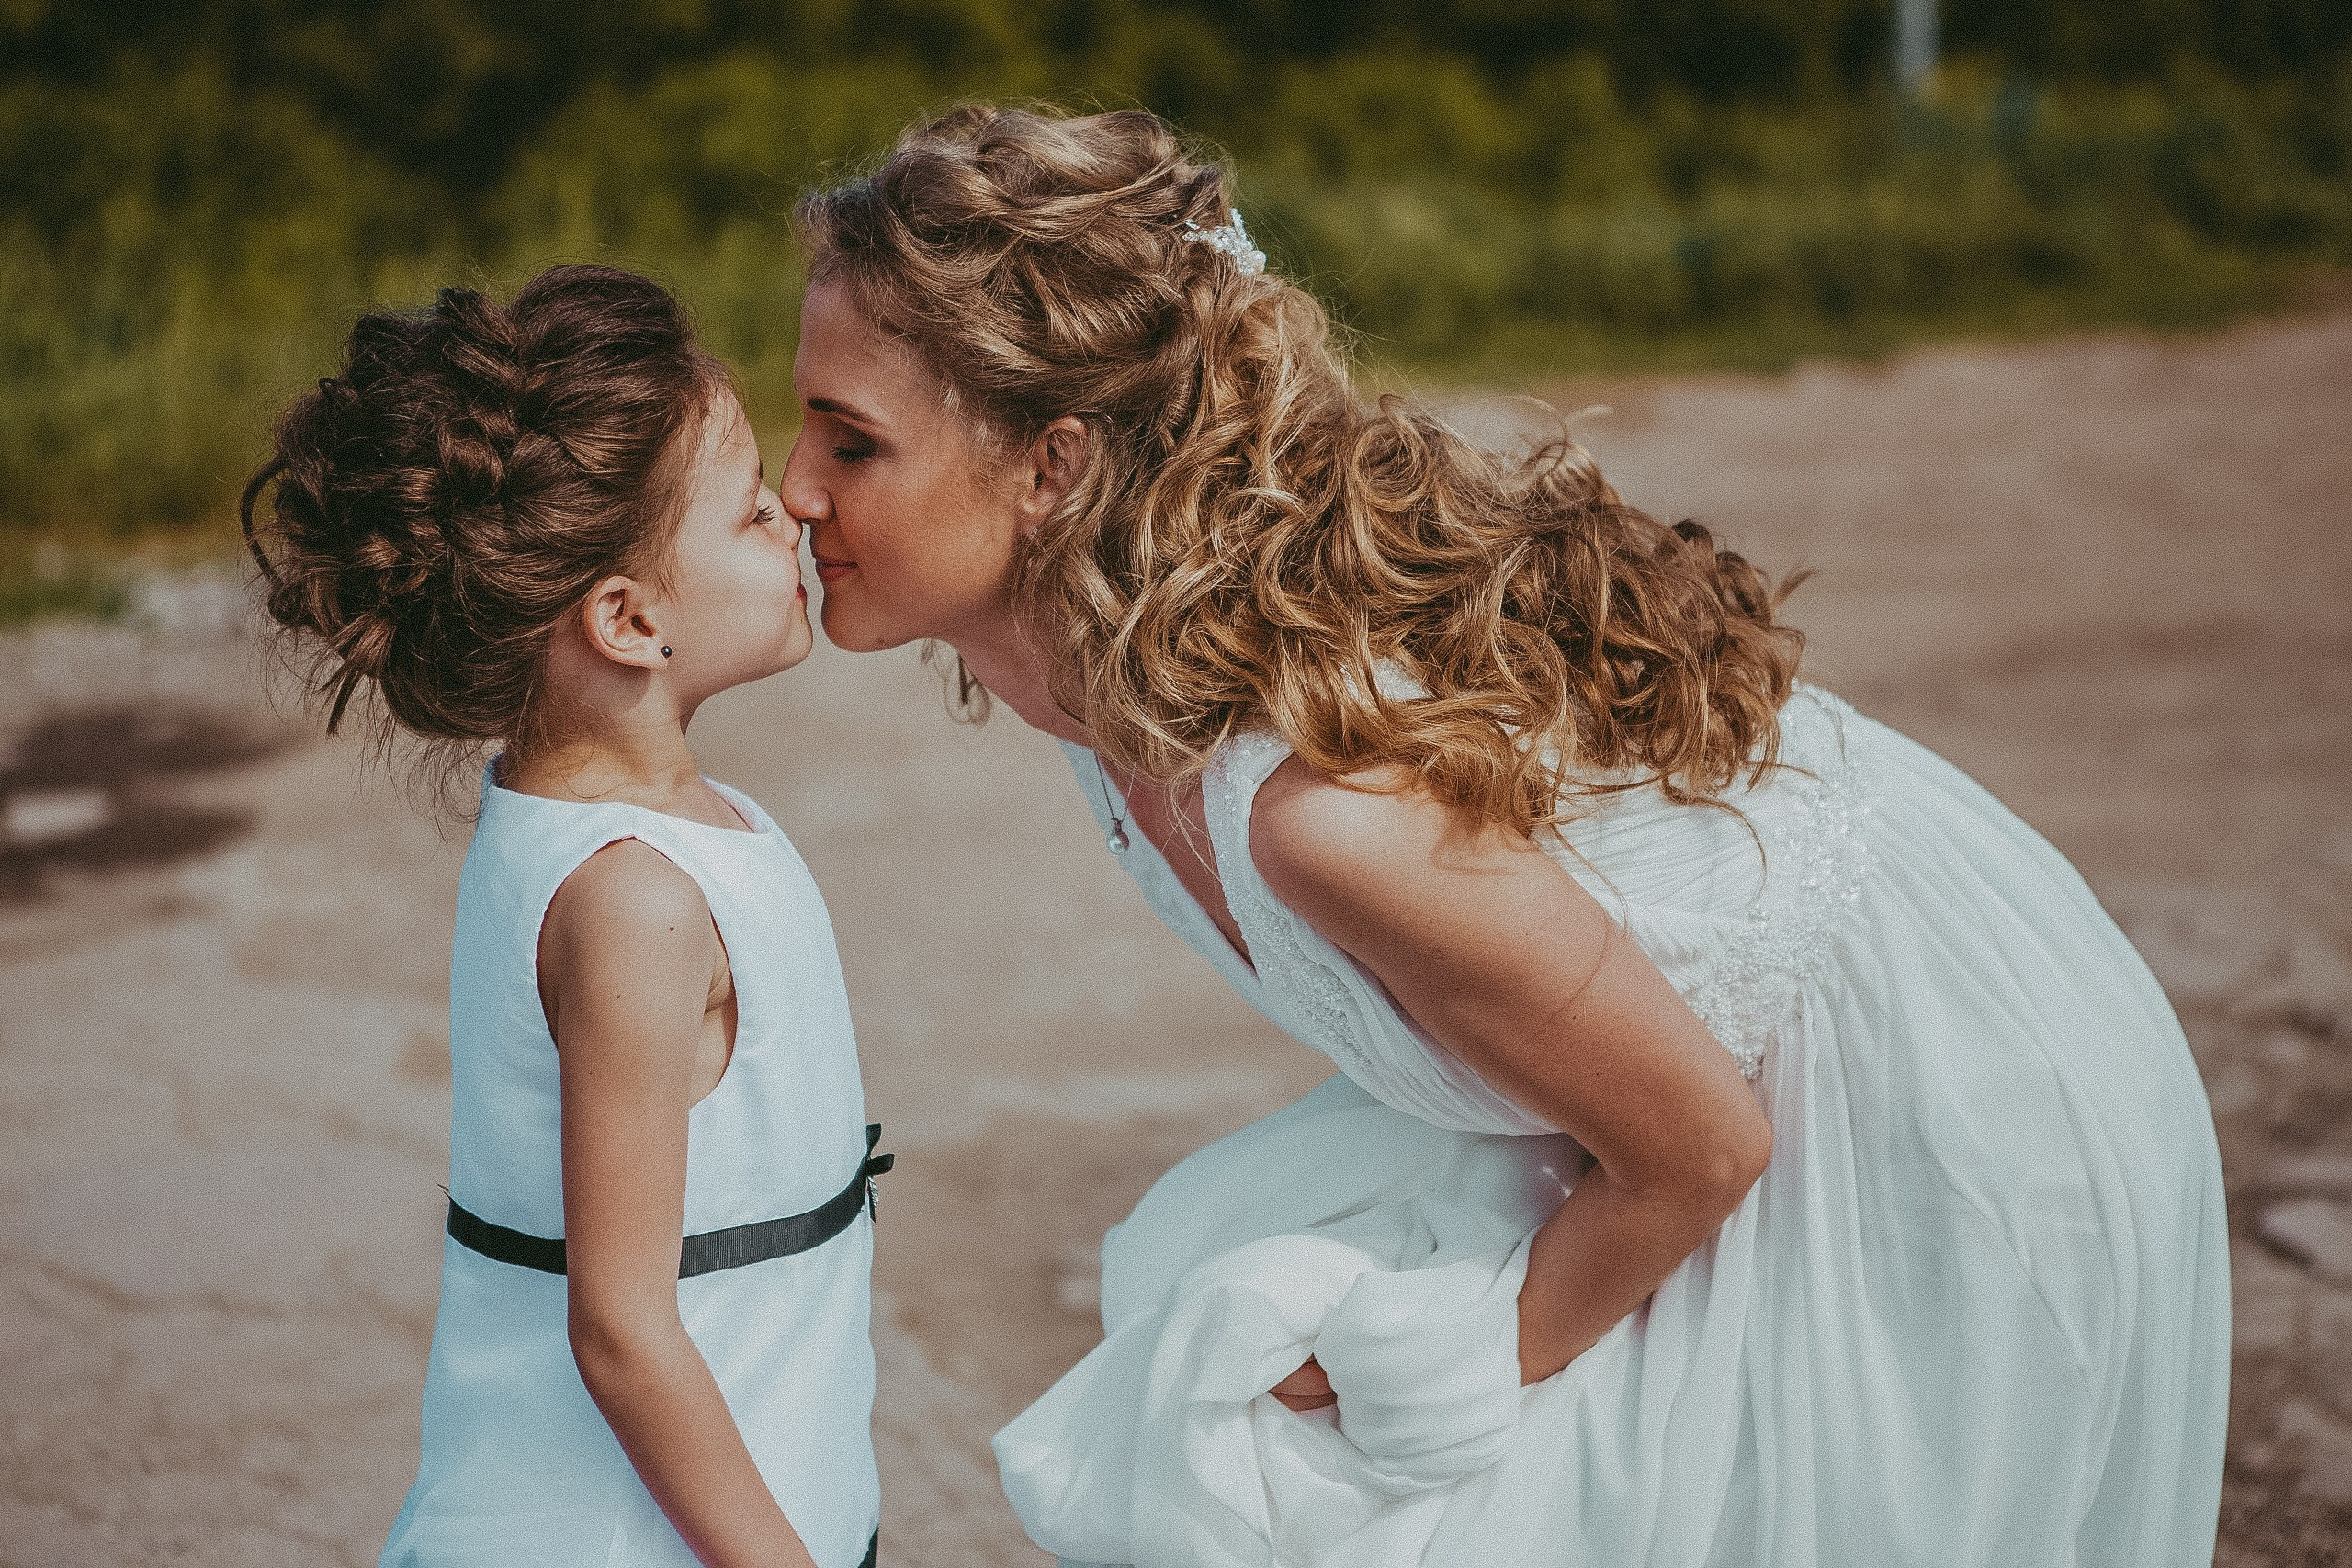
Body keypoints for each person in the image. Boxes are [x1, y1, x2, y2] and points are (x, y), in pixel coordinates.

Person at [780, 107, 2231, 1567]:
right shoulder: (1106, 679)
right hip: (1704, 1092)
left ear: (1053, 467)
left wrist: (1402, 1385)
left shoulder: (1323, 816)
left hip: (1944, 1098)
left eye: (853, 441)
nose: (795, 488)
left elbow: (1699, 1153)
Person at [242, 265, 887, 1568]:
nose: (792, 514)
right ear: (630, 619)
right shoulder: (634, 900)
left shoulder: (614, 828)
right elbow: (622, 1331)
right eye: (748, 508)